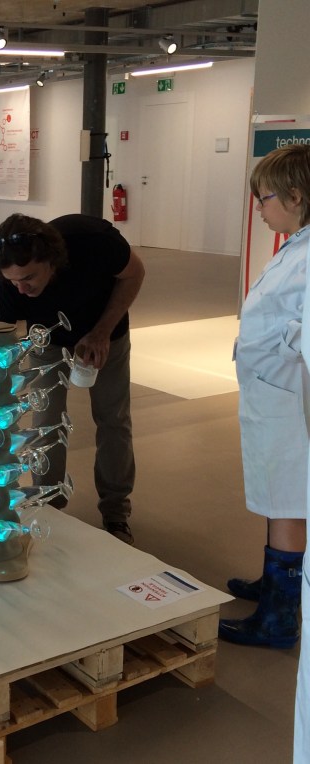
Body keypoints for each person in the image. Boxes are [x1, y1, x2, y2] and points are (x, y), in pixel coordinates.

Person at [0, 213, 145, 545]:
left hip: (105, 332)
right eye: (13, 282)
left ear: (51, 260)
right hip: (47, 339)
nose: (21, 289)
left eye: (29, 278)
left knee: (113, 418)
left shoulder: (94, 242)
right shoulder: (8, 284)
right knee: (46, 420)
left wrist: (101, 332)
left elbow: (135, 273)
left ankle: (116, 512)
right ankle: (49, 506)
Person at [219, 144, 310, 651]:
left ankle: (279, 616)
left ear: (295, 196)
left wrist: (280, 345)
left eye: (265, 198)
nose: (259, 209)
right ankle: (275, 582)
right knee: (279, 494)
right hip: (271, 392)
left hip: (289, 400)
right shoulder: (296, 246)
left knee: (288, 499)